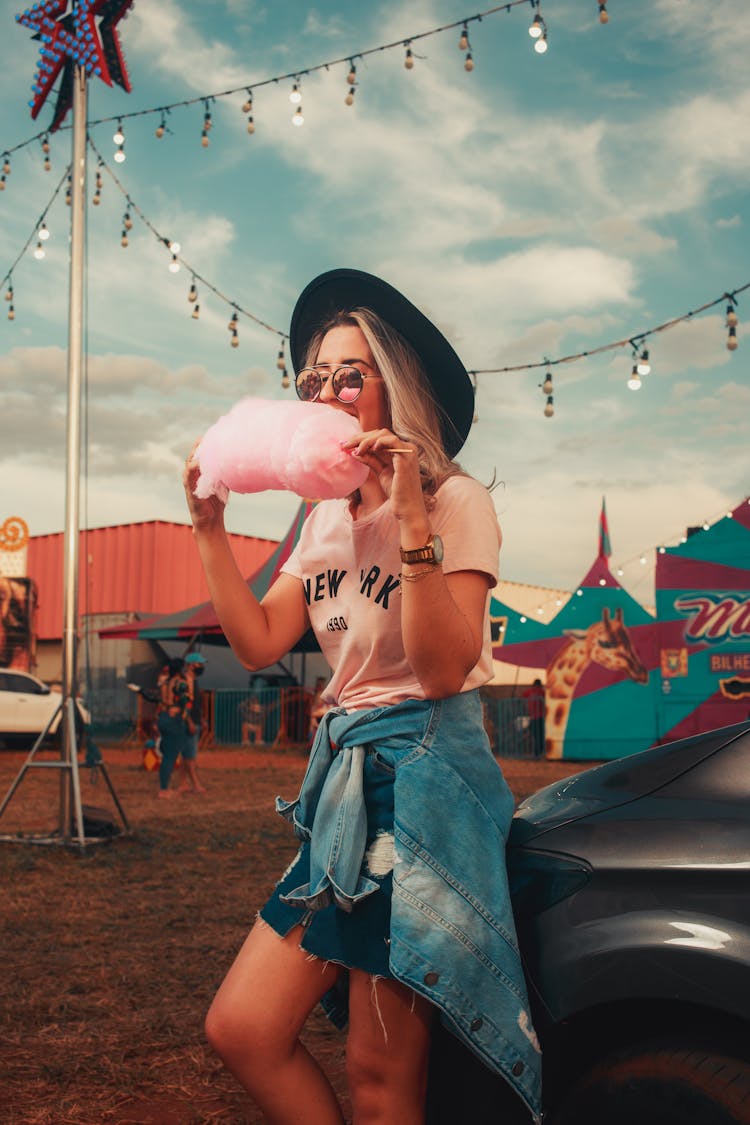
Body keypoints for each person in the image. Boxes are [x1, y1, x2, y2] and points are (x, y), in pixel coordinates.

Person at [183, 268, 542, 1124]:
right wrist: (208, 529)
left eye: (350, 373)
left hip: (422, 782)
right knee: (243, 1027)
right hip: (345, 783)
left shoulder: (457, 500)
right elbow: (261, 641)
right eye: (314, 380)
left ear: (393, 386)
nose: (329, 392)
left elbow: (444, 665)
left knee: (381, 1080)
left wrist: (412, 518)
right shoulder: (323, 519)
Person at [156, 656, 191, 799]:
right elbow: (185, 698)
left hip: (163, 717)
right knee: (170, 757)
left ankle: (164, 787)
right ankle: (164, 790)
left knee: (167, 756)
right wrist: (179, 707)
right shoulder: (180, 682)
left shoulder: (165, 682)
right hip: (173, 719)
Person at [180, 652, 208, 793]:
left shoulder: (194, 681)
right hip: (188, 722)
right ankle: (195, 785)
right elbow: (184, 705)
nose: (201, 666)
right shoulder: (185, 681)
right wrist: (190, 721)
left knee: (187, 755)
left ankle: (183, 783)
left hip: (194, 721)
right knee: (190, 756)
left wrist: (201, 719)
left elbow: (195, 704)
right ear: (191, 665)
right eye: (199, 664)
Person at [523, 677, 546, 758]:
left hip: (533, 717)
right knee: (540, 736)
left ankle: (536, 753)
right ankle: (540, 752)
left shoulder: (529, 691)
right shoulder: (542, 692)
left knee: (535, 736)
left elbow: (522, 696)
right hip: (540, 717)